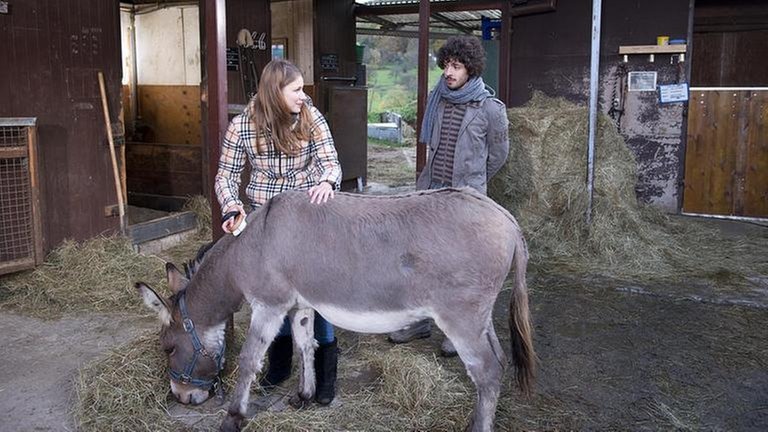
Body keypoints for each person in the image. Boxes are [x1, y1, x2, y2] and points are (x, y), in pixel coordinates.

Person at [214, 59, 342, 405]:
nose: (304, 95)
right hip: (264, 221)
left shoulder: (310, 117)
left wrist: (328, 181)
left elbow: (331, 160)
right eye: (297, 89)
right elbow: (225, 176)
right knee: (271, 295)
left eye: (303, 88)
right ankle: (280, 365)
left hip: (306, 218)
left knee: (315, 294)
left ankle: (326, 372)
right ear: (275, 92)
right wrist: (231, 206)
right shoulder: (242, 126)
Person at [387, 35, 510, 357]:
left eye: (456, 67)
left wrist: (473, 183)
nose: (448, 72)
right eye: (446, 66)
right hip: (431, 196)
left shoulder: (489, 109)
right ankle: (419, 322)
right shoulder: (437, 99)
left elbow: (498, 155)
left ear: (471, 69)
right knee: (420, 261)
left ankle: (458, 329)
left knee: (460, 268)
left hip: (465, 202)